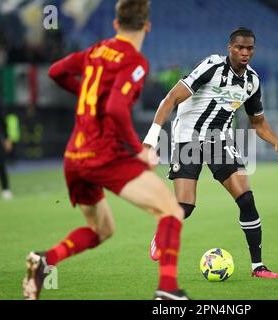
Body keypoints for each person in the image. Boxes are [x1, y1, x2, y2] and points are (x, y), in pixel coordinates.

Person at [22, 0, 189, 301]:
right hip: (104, 155)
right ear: (147, 26)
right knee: (171, 211)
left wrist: (88, 94)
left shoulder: (96, 50)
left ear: (116, 24)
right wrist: (138, 149)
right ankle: (167, 290)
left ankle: (44, 261)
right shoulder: (135, 62)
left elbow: (57, 71)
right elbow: (114, 108)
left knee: (101, 230)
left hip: (74, 157)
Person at [144, 28, 278, 278]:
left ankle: (258, 267)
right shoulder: (211, 66)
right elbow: (170, 99)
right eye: (239, 48)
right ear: (229, 47)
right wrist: (151, 139)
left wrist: (276, 142)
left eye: (249, 48)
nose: (245, 52)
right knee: (185, 206)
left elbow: (258, 122)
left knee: (246, 199)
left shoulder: (252, 81)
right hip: (187, 137)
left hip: (219, 140)